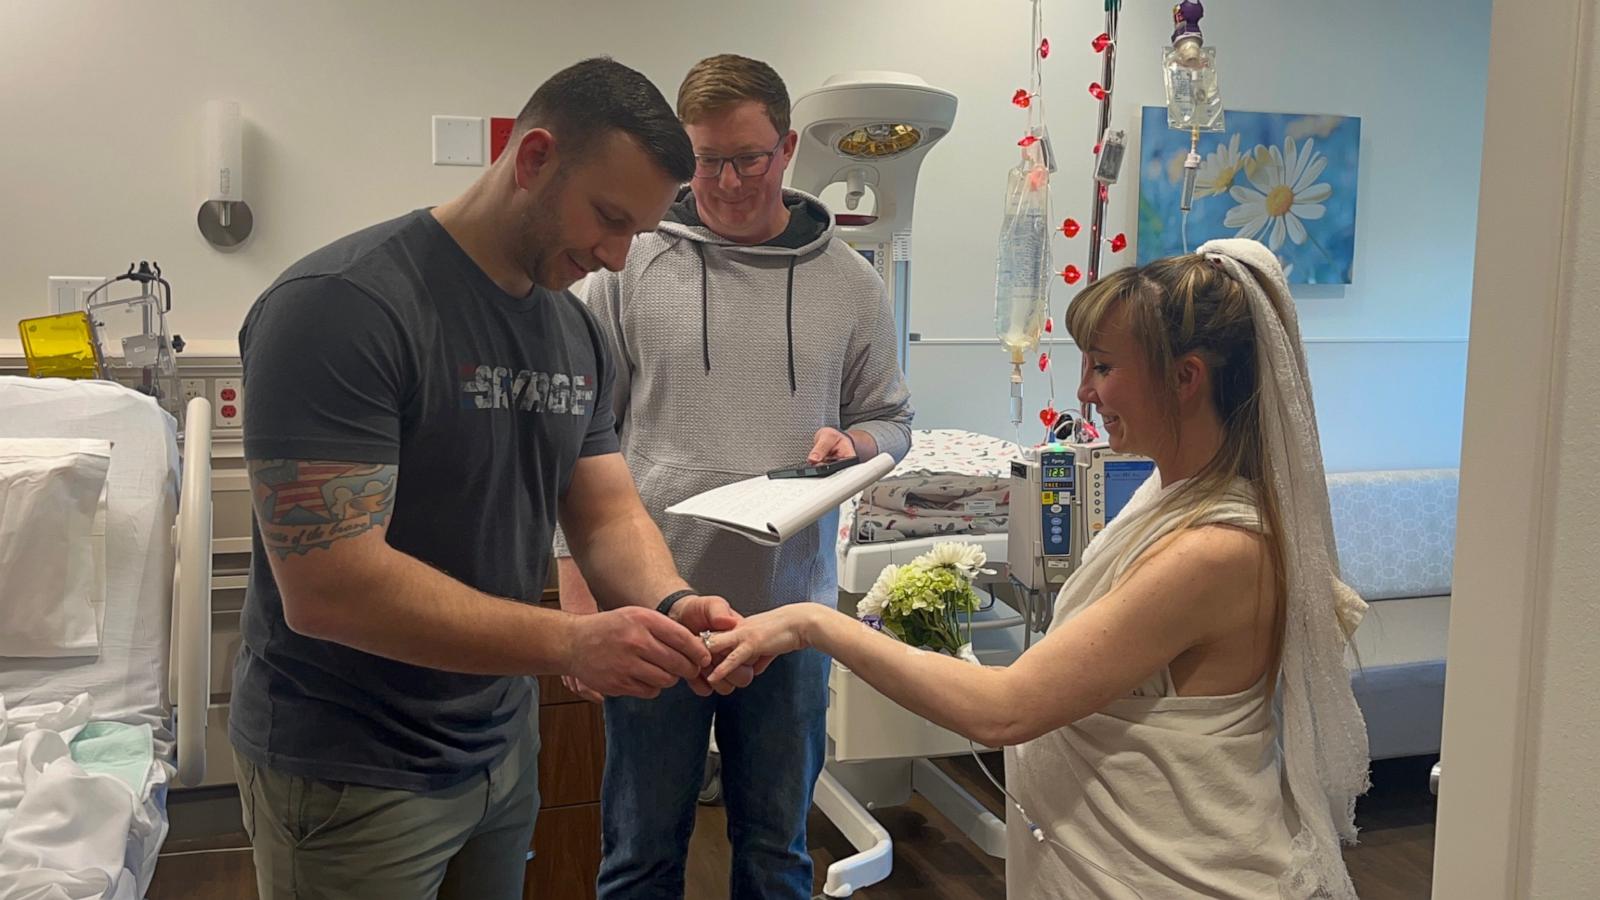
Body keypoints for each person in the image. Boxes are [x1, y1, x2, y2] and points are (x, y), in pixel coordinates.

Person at [231, 57, 756, 900]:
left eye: (639, 233)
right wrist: (571, 643)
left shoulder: (572, 331)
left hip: (497, 748)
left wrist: (669, 604)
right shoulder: (343, 307)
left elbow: (607, 514)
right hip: (350, 771)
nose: (617, 259)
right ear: (534, 156)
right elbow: (329, 586)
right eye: (608, 218)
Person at [707, 239, 1372, 899]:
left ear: (1185, 377)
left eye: (1105, 367)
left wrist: (811, 624)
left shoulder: (1218, 550)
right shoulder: (1169, 497)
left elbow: (1005, 711)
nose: (1084, 391)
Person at [553, 54, 914, 899]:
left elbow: (893, 419)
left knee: (775, 851)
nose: (724, 181)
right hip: (650, 608)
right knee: (639, 852)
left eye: (746, 158)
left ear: (787, 149)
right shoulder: (629, 266)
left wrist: (857, 442)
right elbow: (571, 436)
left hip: (791, 616)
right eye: (705, 159)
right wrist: (576, 597)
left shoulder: (852, 286)